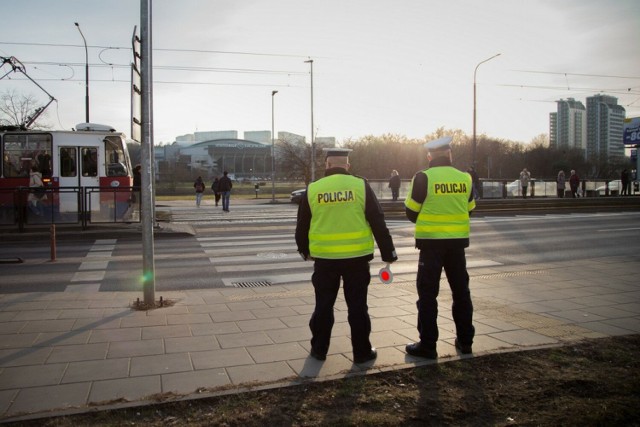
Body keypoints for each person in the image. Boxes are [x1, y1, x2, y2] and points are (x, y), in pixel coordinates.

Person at [295, 148, 397, 364]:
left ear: (327, 165)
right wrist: (388, 253)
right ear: (347, 166)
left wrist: (305, 251)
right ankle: (361, 352)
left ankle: (319, 350)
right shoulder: (360, 186)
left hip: (325, 260)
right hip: (357, 259)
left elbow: (302, 225)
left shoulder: (313, 189)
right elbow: (377, 220)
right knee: (358, 307)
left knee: (323, 306)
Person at [403, 136, 476, 359]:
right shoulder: (466, 178)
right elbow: (470, 209)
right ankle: (465, 341)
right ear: (450, 154)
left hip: (431, 245)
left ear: (429, 156)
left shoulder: (423, 178)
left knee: (427, 295)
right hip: (457, 245)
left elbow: (411, 212)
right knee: (461, 293)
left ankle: (428, 344)